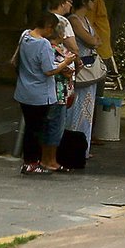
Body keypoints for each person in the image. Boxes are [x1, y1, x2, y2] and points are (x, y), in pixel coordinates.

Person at [15, 12, 76, 174]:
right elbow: (49, 70)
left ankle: (29, 161)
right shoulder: (43, 45)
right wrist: (66, 63)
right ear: (48, 27)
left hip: (24, 90)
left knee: (30, 127)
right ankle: (32, 162)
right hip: (40, 93)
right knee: (37, 130)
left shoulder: (25, 36)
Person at [66, 0, 102, 159]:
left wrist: (94, 41)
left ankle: (84, 147)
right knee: (76, 109)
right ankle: (74, 146)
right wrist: (93, 41)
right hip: (79, 68)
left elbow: (97, 40)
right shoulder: (74, 20)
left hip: (89, 68)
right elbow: (90, 40)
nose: (94, 3)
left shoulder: (86, 20)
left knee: (87, 108)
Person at [42, 23, 75, 172]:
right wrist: (66, 65)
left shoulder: (59, 49)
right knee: (55, 126)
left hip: (61, 92)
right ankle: (49, 160)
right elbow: (54, 68)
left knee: (53, 126)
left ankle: (49, 159)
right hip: (56, 92)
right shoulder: (51, 49)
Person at [83, 0, 114, 98]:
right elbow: (86, 25)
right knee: (94, 95)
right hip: (96, 54)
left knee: (98, 95)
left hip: (103, 52)